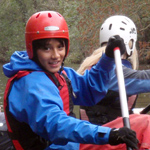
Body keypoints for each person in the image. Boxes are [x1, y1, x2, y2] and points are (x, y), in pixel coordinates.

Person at [2, 11, 138, 150]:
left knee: (141, 123)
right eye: (46, 48)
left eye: (60, 47)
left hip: (69, 145)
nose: (55, 55)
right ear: (33, 49)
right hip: (56, 146)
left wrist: (107, 58)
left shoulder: (60, 74)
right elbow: (57, 125)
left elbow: (89, 89)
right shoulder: (30, 84)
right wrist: (109, 134)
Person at [78, 15, 150, 149]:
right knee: (147, 122)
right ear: (130, 43)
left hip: (103, 137)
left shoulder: (94, 65)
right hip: (98, 140)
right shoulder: (110, 70)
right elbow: (144, 79)